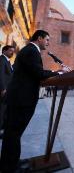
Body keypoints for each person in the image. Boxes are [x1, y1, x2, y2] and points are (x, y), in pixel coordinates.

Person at [0, 30, 69, 173]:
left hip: (20, 98)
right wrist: (59, 72)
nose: (49, 42)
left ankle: (10, 164)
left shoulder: (29, 50)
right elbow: (39, 74)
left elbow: (34, 73)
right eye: (47, 39)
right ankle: (9, 167)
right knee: (13, 134)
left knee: (13, 134)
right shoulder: (32, 51)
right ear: (39, 38)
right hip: (21, 99)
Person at [0, 45, 15, 139]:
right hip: (3, 91)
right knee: (1, 111)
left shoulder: (7, 61)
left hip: (8, 91)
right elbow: (0, 75)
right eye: (10, 51)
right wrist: (2, 89)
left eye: (13, 51)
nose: (12, 53)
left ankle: (3, 129)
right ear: (4, 51)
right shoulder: (2, 60)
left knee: (5, 111)